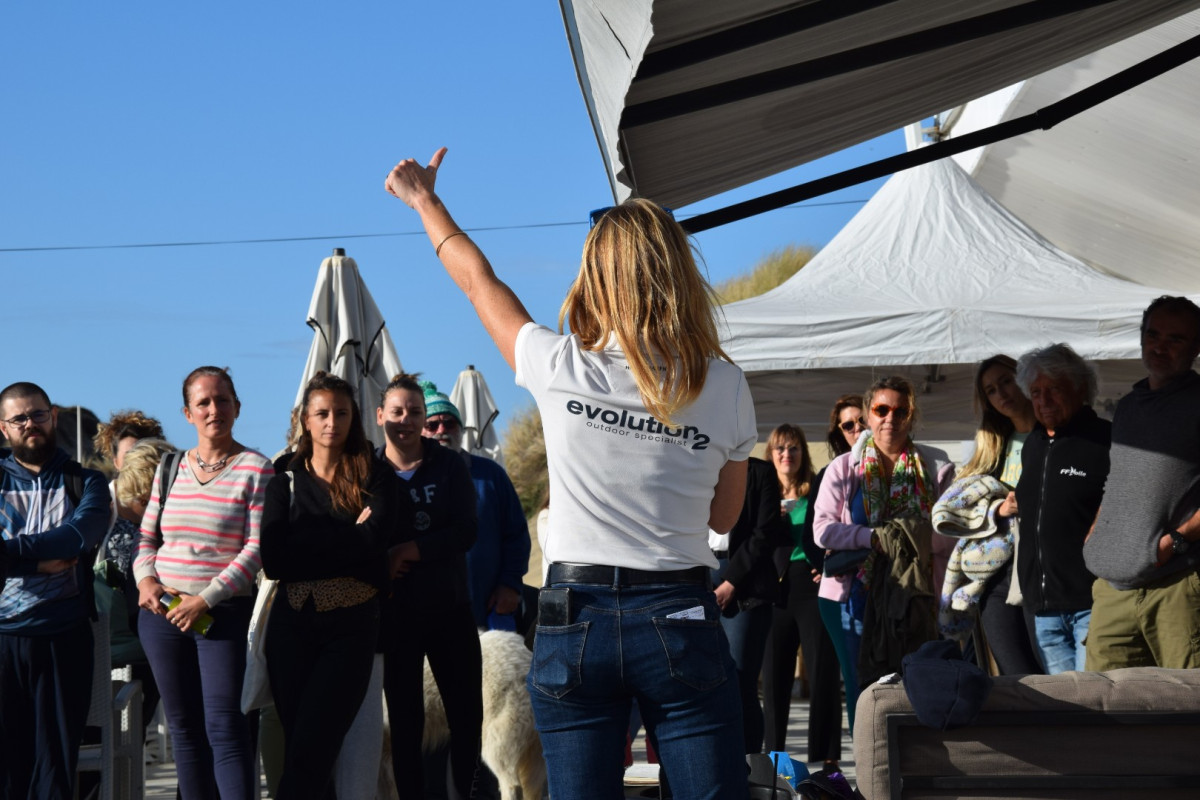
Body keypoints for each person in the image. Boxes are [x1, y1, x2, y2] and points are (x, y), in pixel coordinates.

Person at [384, 150, 756, 799]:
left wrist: (424, 201)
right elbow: (723, 518)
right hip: (679, 611)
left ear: (595, 277)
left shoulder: (560, 366)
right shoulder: (720, 383)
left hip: (573, 617)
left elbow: (477, 281)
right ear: (678, 274)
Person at [133, 366, 273, 800]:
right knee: (184, 731)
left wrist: (205, 599)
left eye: (222, 400)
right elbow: (147, 537)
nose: (215, 410)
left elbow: (255, 550)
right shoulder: (171, 466)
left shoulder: (256, 468)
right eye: (204, 403)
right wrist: (144, 579)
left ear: (237, 407)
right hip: (161, 615)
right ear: (187, 413)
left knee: (226, 728)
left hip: (222, 616)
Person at [260, 372, 393, 799]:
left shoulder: (374, 475)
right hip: (291, 626)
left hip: (351, 627)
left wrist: (308, 544)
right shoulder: (284, 481)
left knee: (312, 746)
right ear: (305, 420)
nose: (332, 421)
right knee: (305, 745)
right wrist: (348, 538)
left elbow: (376, 543)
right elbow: (275, 560)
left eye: (341, 412)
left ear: (354, 418)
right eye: (322, 413)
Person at [0, 381, 111, 799]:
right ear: (3, 427)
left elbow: (76, 540)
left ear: (54, 418)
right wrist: (37, 562)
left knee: (55, 771)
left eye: (39, 414)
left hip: (63, 637)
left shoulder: (87, 482)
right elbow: (58, 546)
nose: (31, 424)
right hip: (3, 640)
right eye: (20, 418)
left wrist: (8, 555)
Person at [377, 372, 481, 800]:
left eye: (415, 412)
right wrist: (378, 560)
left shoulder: (449, 464)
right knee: (405, 723)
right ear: (380, 414)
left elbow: (466, 531)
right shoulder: (368, 469)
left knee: (466, 716)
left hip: (450, 611)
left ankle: (468, 794)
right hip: (395, 616)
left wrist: (408, 550)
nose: (406, 420)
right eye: (397, 411)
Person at [814, 376, 956, 688]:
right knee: (863, 686)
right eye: (881, 409)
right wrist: (873, 538)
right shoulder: (843, 468)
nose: (890, 417)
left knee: (917, 683)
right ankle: (867, 740)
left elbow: (950, 536)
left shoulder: (936, 466)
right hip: (853, 593)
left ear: (911, 416)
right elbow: (823, 531)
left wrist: (905, 541)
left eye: (900, 411)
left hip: (917, 594)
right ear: (867, 416)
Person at [1085, 296, 1200, 669]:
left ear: (1196, 348)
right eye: (1152, 335)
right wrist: (1096, 531)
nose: (1159, 347)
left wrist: (1175, 542)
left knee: (1187, 708)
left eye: (1175, 339)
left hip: (1176, 586)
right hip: (1112, 589)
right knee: (1104, 709)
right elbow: (1116, 478)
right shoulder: (1129, 406)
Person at [1003, 344, 1109, 674]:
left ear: (1080, 389)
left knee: (1093, 702)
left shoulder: (1106, 440)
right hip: (1043, 608)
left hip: (1090, 603)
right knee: (1065, 708)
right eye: (1036, 392)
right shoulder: (1032, 444)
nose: (1044, 401)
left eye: (1054, 390)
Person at [936, 355, 1041, 675]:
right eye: (991, 390)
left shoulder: (1051, 436)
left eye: (1006, 381)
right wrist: (997, 508)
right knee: (1015, 674)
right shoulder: (992, 446)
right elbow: (958, 506)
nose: (1002, 394)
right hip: (995, 577)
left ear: (1024, 379)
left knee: (1052, 676)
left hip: (1042, 570)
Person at [760, 424, 841, 769]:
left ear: (802, 453)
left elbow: (831, 529)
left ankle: (827, 762)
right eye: (779, 449)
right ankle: (775, 762)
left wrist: (827, 564)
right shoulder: (763, 495)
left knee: (823, 672)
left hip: (810, 587)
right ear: (771, 455)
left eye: (793, 448)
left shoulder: (816, 491)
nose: (786, 455)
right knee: (775, 678)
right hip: (774, 590)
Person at [420, 380, 531, 629]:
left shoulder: (491, 475)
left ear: (460, 429)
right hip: (431, 619)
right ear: (420, 431)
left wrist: (510, 585)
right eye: (432, 424)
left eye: (449, 422)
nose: (441, 430)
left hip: (490, 612)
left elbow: (517, 536)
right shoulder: (409, 481)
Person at [708, 453, 786, 757]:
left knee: (740, 680)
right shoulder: (693, 461)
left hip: (744, 583)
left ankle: (748, 767)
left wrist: (731, 582)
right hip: (697, 576)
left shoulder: (759, 472)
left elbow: (764, 532)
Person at [814, 395, 866, 728]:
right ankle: (865, 762)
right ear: (840, 432)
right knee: (856, 678)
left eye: (862, 419)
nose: (858, 428)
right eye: (848, 424)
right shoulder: (837, 470)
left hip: (891, 586)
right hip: (841, 591)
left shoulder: (904, 465)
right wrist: (870, 537)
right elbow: (816, 532)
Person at [94, 409, 165, 472]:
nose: (134, 459)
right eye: (127, 456)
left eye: (140, 453)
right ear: (116, 463)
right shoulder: (106, 487)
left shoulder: (168, 485)